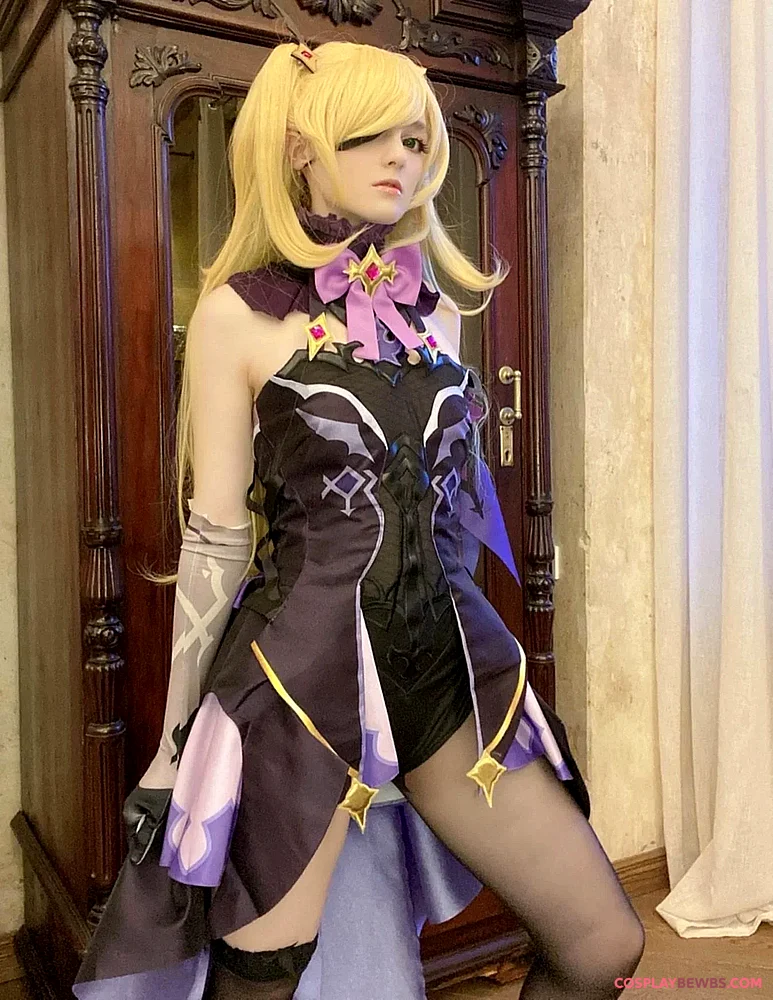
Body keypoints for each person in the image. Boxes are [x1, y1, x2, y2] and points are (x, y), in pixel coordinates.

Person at [72, 32, 645, 1000]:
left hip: (450, 667)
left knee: (600, 944)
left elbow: (453, 510)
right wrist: (174, 753)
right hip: (299, 684)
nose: (400, 160)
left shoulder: (437, 312)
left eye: (415, 140)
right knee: (261, 979)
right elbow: (216, 540)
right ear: (300, 148)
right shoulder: (235, 315)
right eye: (368, 136)